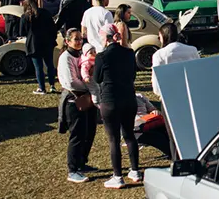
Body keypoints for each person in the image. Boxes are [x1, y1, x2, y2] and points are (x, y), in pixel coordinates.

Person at [93, 22, 143, 188]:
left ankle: (117, 176)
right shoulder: (129, 53)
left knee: (113, 139)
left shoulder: (102, 56)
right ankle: (135, 170)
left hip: (110, 100)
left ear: (106, 39)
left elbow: (97, 78)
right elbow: (133, 74)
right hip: (128, 98)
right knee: (129, 135)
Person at [57, 28, 97, 183]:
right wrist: (90, 86)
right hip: (74, 100)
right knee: (78, 134)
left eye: (81, 38)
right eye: (76, 39)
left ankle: (82, 162)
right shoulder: (65, 57)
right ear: (67, 41)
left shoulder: (82, 54)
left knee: (90, 131)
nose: (80, 41)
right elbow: (71, 81)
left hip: (86, 98)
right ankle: (73, 170)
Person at [150, 21, 200, 97]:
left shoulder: (159, 54)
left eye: (159, 37)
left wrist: (158, 92)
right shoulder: (192, 50)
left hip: (170, 94)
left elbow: (156, 80)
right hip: (192, 91)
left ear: (163, 37)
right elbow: (198, 71)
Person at [21, 0, 58, 95]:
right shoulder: (45, 13)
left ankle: (42, 88)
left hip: (34, 43)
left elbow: (21, 31)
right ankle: (52, 85)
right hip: (47, 41)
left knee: (38, 67)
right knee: (49, 64)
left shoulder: (25, 17)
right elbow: (53, 27)